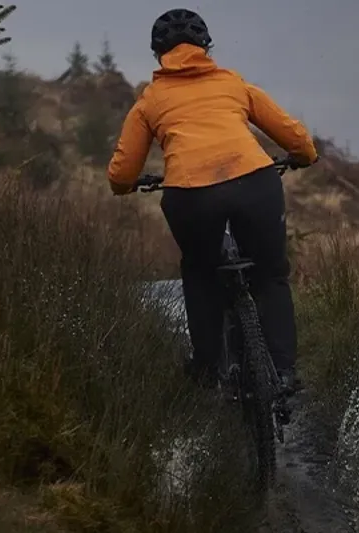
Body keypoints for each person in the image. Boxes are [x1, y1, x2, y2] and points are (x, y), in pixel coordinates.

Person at [107, 8, 319, 395]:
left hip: (190, 195)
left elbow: (120, 175)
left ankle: (206, 371)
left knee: (201, 275)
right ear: (205, 47)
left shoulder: (150, 101)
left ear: (159, 54)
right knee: (271, 276)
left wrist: (126, 186)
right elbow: (296, 138)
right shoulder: (232, 83)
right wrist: (303, 156)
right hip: (255, 183)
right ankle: (284, 373)